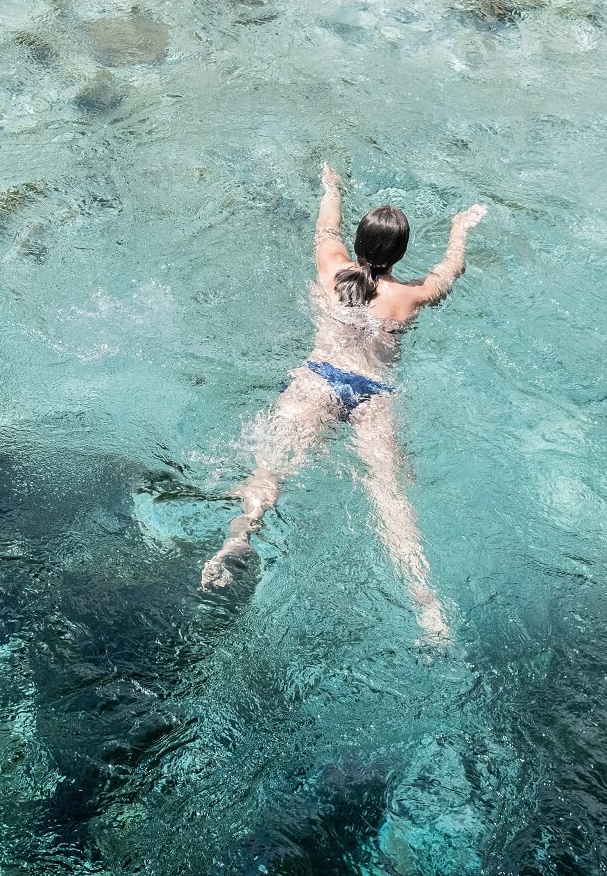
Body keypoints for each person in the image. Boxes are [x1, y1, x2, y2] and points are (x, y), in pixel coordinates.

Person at [201, 162, 487, 642]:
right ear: (399, 254)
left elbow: (325, 226)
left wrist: (331, 185)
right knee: (388, 495)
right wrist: (459, 229)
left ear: (358, 244)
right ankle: (426, 604)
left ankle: (237, 542)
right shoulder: (411, 296)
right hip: (374, 395)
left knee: (270, 472)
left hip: (319, 379)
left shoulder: (333, 267)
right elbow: (450, 269)